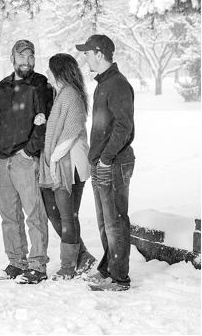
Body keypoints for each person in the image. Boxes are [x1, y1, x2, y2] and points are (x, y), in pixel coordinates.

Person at [76, 34, 135, 292]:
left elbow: (125, 127)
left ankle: (120, 279)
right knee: (104, 222)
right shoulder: (103, 83)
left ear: (100, 54)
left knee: (116, 222)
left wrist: (106, 159)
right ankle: (108, 270)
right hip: (102, 163)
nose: (85, 58)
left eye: (87, 53)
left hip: (114, 163)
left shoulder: (118, 85)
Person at [0, 39, 53, 284]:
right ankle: (16, 261)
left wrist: (29, 152)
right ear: (13, 58)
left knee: (34, 214)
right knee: (9, 214)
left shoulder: (39, 84)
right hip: (3, 157)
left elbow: (44, 121)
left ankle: (37, 265)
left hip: (25, 159)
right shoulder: (2, 86)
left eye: (31, 57)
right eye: (22, 56)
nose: (27, 62)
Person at [37, 54, 97, 280]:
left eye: (50, 70)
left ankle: (68, 266)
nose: (47, 74)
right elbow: (61, 127)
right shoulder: (63, 94)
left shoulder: (70, 95)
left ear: (59, 72)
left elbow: (70, 134)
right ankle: (82, 257)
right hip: (63, 163)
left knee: (67, 217)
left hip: (69, 166)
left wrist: (52, 159)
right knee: (58, 215)